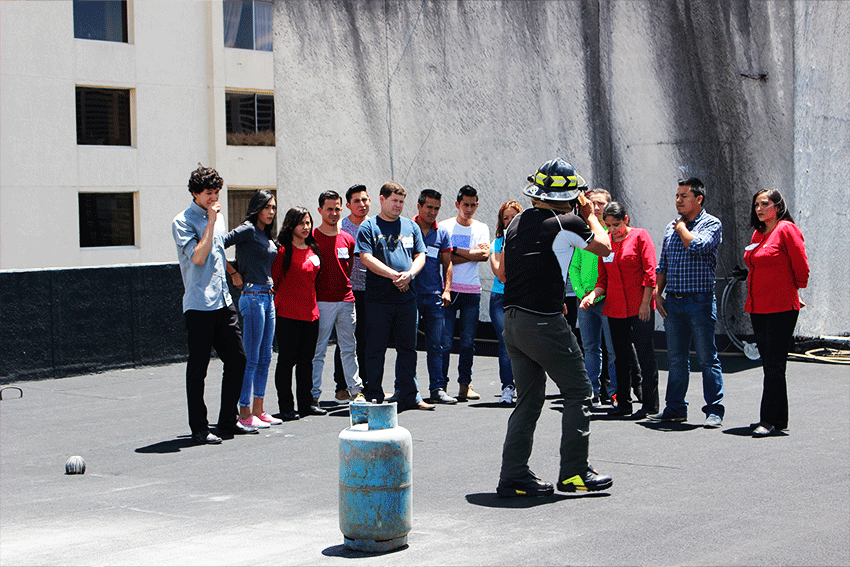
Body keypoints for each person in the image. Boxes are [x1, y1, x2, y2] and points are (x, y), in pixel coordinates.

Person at [498, 158, 612, 497]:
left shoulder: (515, 222)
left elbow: (509, 271)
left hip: (512, 319)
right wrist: (590, 215)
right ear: (571, 196)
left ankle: (514, 475)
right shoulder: (568, 221)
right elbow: (605, 248)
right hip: (542, 321)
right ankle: (575, 473)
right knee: (579, 391)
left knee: (529, 399)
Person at [171, 165, 257, 444]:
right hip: (199, 304)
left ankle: (227, 421)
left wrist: (233, 273)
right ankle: (199, 427)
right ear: (195, 193)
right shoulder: (182, 222)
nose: (214, 197)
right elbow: (198, 257)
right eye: (208, 193)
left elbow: (217, 252)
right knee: (199, 368)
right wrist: (209, 222)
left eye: (217, 192)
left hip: (222, 300)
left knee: (238, 359)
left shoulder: (217, 218)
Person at [651, 178, 725, 428]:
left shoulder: (711, 223)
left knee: (707, 358)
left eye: (684, 196)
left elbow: (698, 246)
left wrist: (682, 228)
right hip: (674, 302)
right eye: (677, 196)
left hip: (699, 301)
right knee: (676, 359)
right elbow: (663, 264)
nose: (678, 200)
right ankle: (675, 409)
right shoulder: (669, 227)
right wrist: (658, 293)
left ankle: (714, 410)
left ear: (698, 199)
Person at [356, 181, 433, 411]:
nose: (398, 205)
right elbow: (366, 258)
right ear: (382, 200)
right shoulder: (369, 227)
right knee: (375, 349)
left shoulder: (411, 226)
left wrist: (409, 275)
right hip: (378, 300)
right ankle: (374, 395)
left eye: (401, 201)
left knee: (408, 349)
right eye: (394, 201)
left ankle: (409, 394)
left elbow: (420, 255)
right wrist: (394, 275)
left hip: (407, 299)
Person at [580, 201, 659, 419]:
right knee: (620, 358)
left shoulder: (640, 236)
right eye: (608, 225)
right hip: (615, 308)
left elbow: (650, 273)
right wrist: (591, 296)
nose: (612, 230)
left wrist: (645, 303)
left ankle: (650, 404)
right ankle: (623, 402)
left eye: (616, 224)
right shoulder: (605, 243)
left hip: (639, 306)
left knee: (645, 355)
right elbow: (602, 280)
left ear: (626, 219)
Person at [744, 188, 809, 437]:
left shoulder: (786, 229)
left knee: (774, 365)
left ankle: (768, 419)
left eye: (764, 204)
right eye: (756, 205)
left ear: (778, 207)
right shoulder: (758, 233)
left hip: (781, 307)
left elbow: (801, 266)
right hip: (758, 307)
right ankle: (779, 418)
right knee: (770, 364)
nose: (759, 209)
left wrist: (794, 289)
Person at [223, 189, 281, 429]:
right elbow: (218, 246)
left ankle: (258, 410)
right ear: (257, 208)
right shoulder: (247, 229)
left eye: (273, 207)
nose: (271, 211)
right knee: (252, 357)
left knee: (266, 356)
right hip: (253, 296)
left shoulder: (264, 234)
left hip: (267, 296)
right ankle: (244, 412)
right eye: (267, 207)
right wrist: (234, 273)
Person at [310, 190, 363, 406]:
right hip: (322, 302)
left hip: (346, 300)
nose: (334, 213)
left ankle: (356, 390)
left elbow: (347, 268)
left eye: (337, 209)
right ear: (320, 210)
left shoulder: (347, 239)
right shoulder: (312, 238)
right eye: (329, 209)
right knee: (318, 350)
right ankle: (313, 394)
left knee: (349, 348)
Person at [271, 207, 325, 421]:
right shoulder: (283, 251)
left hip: (311, 314)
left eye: (308, 222)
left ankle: (306, 404)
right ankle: (286, 406)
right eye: (301, 223)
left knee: (306, 361)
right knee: (286, 361)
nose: (306, 227)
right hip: (288, 314)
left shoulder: (313, 248)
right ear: (291, 225)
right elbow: (275, 280)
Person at [439, 185, 490, 401]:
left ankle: (465, 384)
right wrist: (472, 254)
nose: (469, 209)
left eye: (472, 205)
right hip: (448, 290)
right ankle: (440, 385)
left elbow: (485, 256)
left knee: (468, 341)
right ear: (457, 204)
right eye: (465, 205)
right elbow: (443, 258)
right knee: (445, 341)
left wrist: (455, 251)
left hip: (472, 291)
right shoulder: (445, 227)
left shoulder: (481, 227)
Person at [568, 188, 617, 407]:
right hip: (585, 301)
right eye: (592, 203)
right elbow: (574, 267)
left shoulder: (611, 233)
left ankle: (615, 393)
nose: (596, 208)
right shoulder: (583, 233)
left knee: (612, 349)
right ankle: (593, 392)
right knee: (590, 348)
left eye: (601, 204)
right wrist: (581, 293)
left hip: (608, 299)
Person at [412, 189, 457, 404]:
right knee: (408, 345)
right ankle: (407, 389)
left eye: (437, 208)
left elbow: (447, 264)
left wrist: (447, 290)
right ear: (419, 206)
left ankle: (437, 389)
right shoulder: (407, 228)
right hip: (410, 296)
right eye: (429, 207)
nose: (433, 212)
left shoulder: (442, 233)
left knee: (436, 345)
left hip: (434, 296)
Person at [332, 185, 371, 401]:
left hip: (370, 291)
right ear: (348, 205)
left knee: (366, 340)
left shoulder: (374, 226)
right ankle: (342, 386)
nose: (362, 204)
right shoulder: (341, 228)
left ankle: (364, 386)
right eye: (356, 201)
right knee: (346, 340)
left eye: (364, 200)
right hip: (348, 292)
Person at [489, 200, 522, 404]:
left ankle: (524, 385)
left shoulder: (526, 240)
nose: (509, 221)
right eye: (505, 218)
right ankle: (507, 387)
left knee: (522, 343)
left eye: (513, 217)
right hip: (499, 298)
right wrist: (506, 246)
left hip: (519, 297)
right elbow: (499, 273)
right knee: (505, 342)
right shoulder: (498, 242)